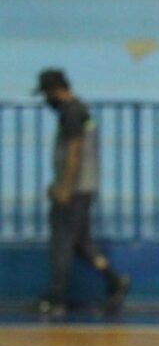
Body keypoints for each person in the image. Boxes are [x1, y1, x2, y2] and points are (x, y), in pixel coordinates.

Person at [34, 69, 130, 318]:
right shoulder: (81, 109)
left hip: (74, 190)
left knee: (62, 241)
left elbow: (74, 152)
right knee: (81, 243)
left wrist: (64, 187)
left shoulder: (71, 112)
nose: (46, 100)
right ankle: (115, 280)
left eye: (46, 94)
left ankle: (56, 298)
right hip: (84, 187)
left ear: (56, 90)